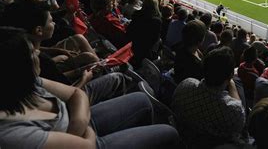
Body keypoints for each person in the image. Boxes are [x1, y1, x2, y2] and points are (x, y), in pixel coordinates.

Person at [0, 27, 179, 149]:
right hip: (88, 140)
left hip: (78, 122)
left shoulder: (28, 82)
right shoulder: (11, 133)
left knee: (143, 100)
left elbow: (76, 93)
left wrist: (78, 123)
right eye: (32, 53)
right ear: (17, 67)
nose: (39, 53)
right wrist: (81, 127)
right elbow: (87, 145)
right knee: (169, 132)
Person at [172, 47, 245, 148]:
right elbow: (239, 109)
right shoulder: (234, 111)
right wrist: (231, 83)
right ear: (230, 75)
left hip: (183, 140)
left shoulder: (185, 85)